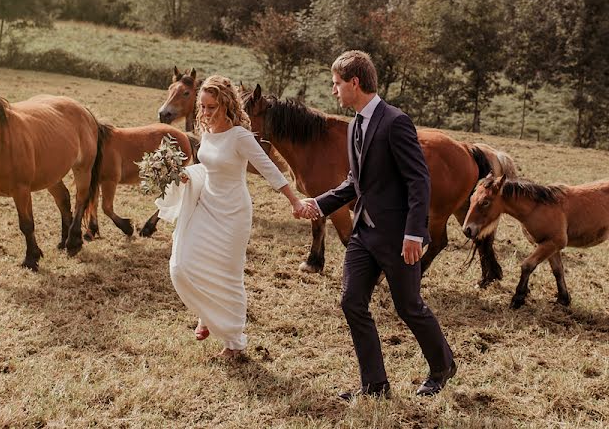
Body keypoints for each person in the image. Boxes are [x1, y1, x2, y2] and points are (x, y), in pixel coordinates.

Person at [297, 50, 456, 398]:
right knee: (352, 302)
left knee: (408, 307)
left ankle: (443, 365)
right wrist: (318, 204)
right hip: (363, 234)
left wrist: (414, 233)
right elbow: (355, 183)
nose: (333, 90)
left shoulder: (395, 121)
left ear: (355, 83)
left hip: (399, 237)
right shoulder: (355, 124)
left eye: (337, 83)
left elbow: (419, 181)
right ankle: (375, 385)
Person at [157, 75, 310, 358]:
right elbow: (207, 168)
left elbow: (268, 168)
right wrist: (183, 176)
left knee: (228, 275)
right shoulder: (208, 132)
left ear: (227, 105)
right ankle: (207, 312)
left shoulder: (239, 136)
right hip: (205, 206)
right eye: (202, 106)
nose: (205, 113)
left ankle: (234, 343)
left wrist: (294, 200)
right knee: (181, 266)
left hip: (233, 213)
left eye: (211, 107)